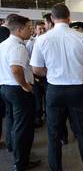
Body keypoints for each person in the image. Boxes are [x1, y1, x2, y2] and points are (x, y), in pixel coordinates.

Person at [30, 4, 83, 170]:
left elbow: (36, 69)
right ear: (69, 18)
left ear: (52, 19)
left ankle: (56, 168)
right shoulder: (82, 37)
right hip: (79, 90)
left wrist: (50, 73)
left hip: (54, 90)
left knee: (54, 134)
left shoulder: (42, 39)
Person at [0, 14, 41, 170]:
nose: (31, 31)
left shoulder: (3, 44)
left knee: (12, 122)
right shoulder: (18, 47)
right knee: (23, 127)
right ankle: (21, 162)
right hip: (18, 90)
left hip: (5, 88)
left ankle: (12, 148)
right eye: (29, 28)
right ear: (19, 30)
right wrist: (25, 85)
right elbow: (16, 69)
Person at [26, 21, 46, 128]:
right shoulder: (31, 42)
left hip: (46, 73)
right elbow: (29, 58)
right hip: (36, 74)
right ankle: (38, 117)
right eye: (40, 29)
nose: (42, 30)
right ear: (35, 29)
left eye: (43, 28)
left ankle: (48, 115)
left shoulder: (48, 40)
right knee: (38, 97)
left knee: (47, 96)